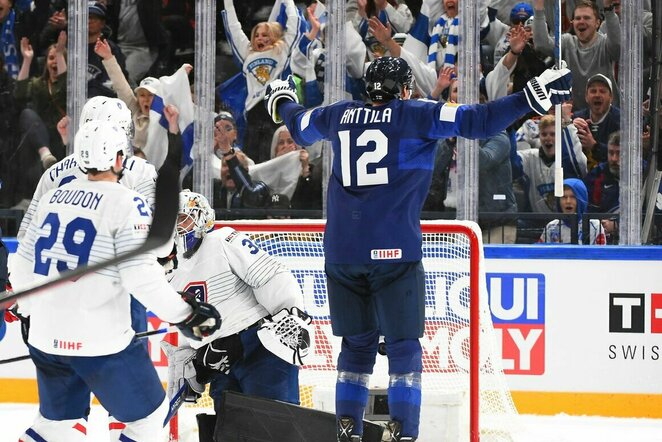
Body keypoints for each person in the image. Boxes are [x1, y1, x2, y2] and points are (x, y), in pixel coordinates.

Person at [264, 56, 572, 441]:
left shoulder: (338, 114)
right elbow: (478, 121)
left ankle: (348, 431)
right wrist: (532, 98)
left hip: (341, 252)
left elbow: (297, 122)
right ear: (404, 89)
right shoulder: (416, 114)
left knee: (355, 347)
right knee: (403, 349)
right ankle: (403, 433)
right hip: (394, 250)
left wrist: (281, 101)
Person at [9, 120, 220, 442]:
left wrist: (26, 308)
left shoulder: (54, 196)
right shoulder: (126, 202)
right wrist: (187, 315)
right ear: (120, 158)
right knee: (148, 421)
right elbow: (140, 277)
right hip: (99, 341)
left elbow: (22, 261)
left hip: (44, 336)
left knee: (55, 425)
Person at [162, 190, 311, 441]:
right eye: (172, 221)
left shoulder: (221, 240)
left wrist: (290, 314)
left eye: (183, 218)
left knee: (275, 426)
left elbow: (271, 275)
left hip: (260, 347)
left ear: (202, 218)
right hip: (222, 360)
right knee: (229, 430)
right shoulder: (167, 273)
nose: (177, 227)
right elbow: (186, 326)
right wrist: (193, 363)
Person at [572, 73, 621, 170]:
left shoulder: (620, 120)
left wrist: (594, 146)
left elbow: (624, 154)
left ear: (611, 97)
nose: (597, 95)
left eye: (602, 91)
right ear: (586, 96)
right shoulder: (577, 118)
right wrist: (570, 129)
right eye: (593, 91)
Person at [538, 178, 606, 245]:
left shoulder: (595, 227)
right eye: (564, 197)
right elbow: (539, 254)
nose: (568, 201)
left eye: (573, 197)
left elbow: (601, 254)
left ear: (581, 200)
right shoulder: (551, 227)